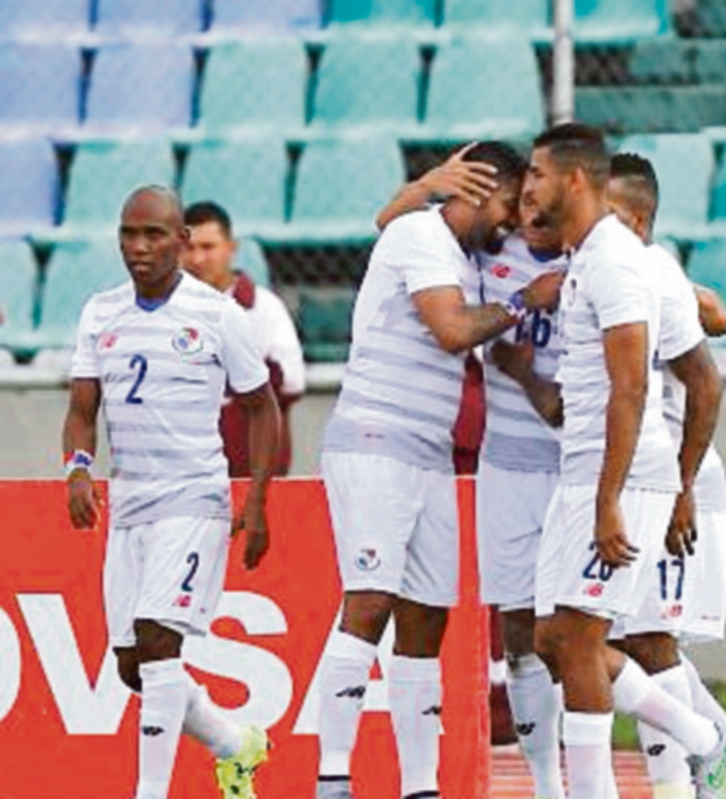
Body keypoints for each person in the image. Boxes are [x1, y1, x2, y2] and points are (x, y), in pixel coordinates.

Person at [312, 141, 563, 799]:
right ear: (477, 189)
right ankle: (331, 777)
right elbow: (453, 331)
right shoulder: (421, 235)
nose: (513, 219)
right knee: (368, 603)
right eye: (509, 202)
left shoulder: (459, 253)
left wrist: (420, 185)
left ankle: (418, 786)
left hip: (428, 452)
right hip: (375, 440)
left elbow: (382, 222)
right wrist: (521, 304)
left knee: (428, 616)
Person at [517, 122, 726, 799]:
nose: (526, 188)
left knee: (588, 642)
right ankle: (717, 744)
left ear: (575, 180)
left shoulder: (618, 262)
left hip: (620, 476)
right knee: (555, 639)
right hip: (589, 470)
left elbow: (634, 386)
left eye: (535, 174)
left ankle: (678, 766)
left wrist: (612, 496)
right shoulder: (592, 259)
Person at [62, 186, 281, 799]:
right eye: (129, 234)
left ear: (182, 242)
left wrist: (258, 500)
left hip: (193, 499)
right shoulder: (100, 312)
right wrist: (78, 467)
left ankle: (150, 792)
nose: (139, 247)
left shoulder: (217, 315)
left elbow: (262, 409)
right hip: (131, 502)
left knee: (159, 644)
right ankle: (235, 744)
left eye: (154, 235)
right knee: (133, 667)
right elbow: (82, 408)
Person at [604, 152, 726, 799]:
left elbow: (715, 330)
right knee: (631, 636)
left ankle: (716, 763)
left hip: (677, 475)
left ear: (637, 214)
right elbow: (715, 312)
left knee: (648, 638)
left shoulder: (648, 267)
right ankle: (719, 757)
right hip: (645, 476)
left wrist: (679, 487)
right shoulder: (628, 267)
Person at [181, 200, 305, 477]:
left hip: (252, 472)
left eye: (208, 247)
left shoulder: (264, 307)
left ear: (231, 247)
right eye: (189, 248)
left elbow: (292, 381)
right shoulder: (165, 313)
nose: (197, 259)